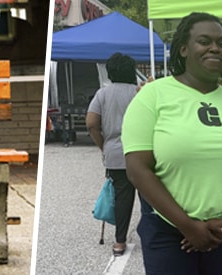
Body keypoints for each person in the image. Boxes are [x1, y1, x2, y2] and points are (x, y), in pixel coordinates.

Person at [122, 12, 222, 274]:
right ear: (184, 49)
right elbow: (137, 169)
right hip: (168, 230)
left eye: (221, 43)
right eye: (204, 41)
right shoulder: (152, 96)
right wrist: (188, 226)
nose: (215, 48)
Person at [85, 52, 139, 256]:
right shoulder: (139, 92)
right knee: (150, 198)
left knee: (122, 198)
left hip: (115, 154)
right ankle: (152, 234)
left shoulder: (103, 94)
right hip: (141, 154)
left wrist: (104, 145)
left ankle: (120, 241)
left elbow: (91, 124)